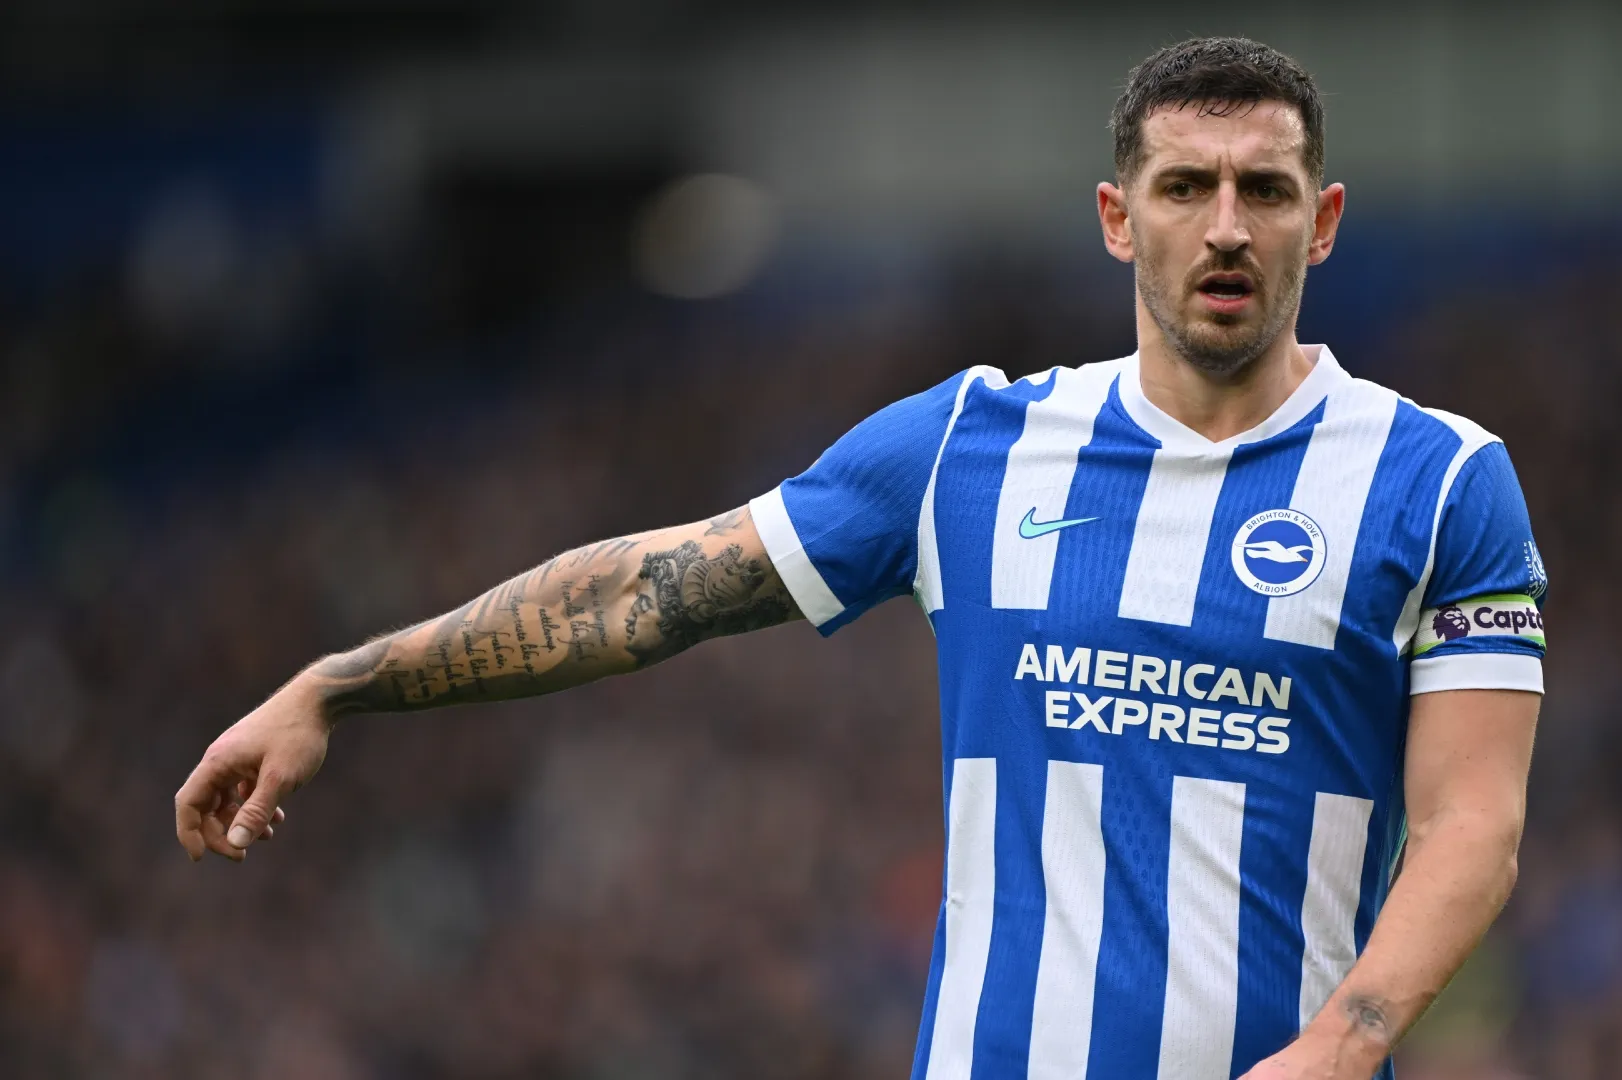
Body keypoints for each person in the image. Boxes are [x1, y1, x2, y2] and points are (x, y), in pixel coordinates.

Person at [175, 36, 1545, 1080]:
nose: (1229, 225)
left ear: (1327, 219)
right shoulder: (967, 446)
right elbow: (655, 592)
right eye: (1186, 186)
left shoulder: (1441, 482)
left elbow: (1473, 822)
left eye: (1267, 188)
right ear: (1120, 219)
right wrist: (339, 683)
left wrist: (1344, 1047)